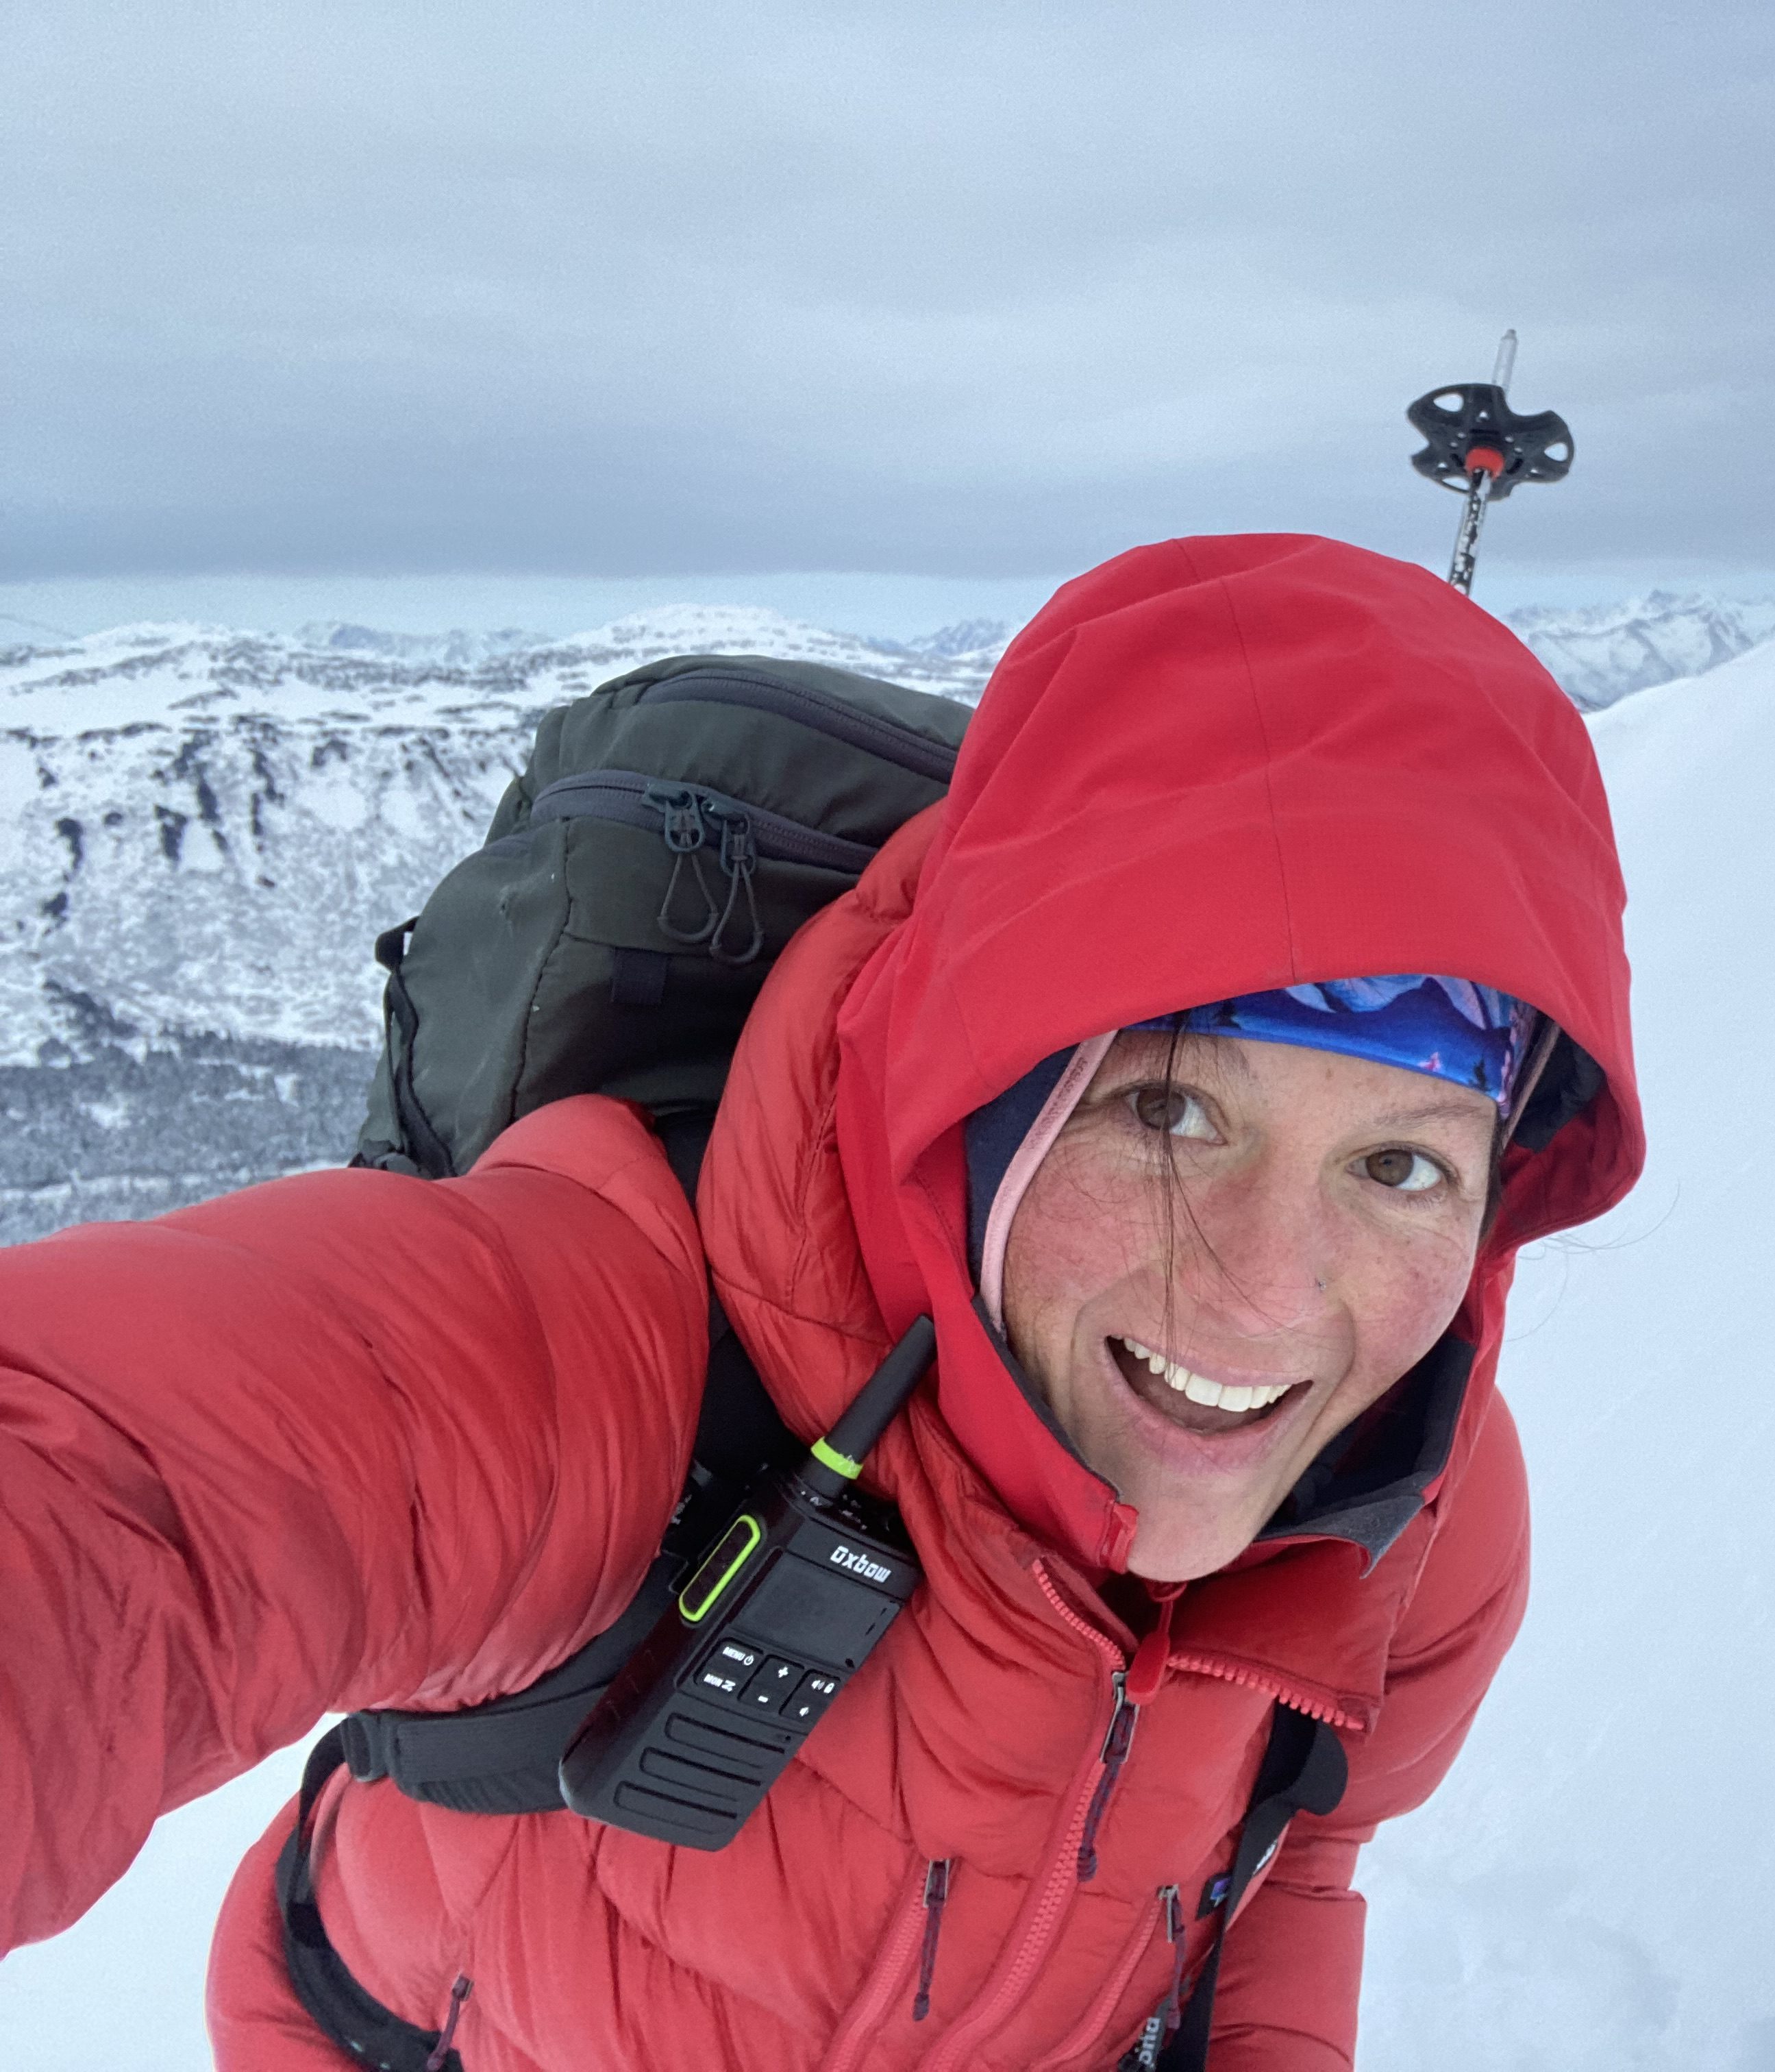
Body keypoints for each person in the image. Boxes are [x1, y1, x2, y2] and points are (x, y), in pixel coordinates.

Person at [0, 533, 1644, 2070]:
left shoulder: (1417, 1513)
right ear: (983, 1093)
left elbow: (1297, 1848)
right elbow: (120, 1497)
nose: (1270, 1300)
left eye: (1400, 1167)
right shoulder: (627, 1344)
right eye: (1167, 1114)